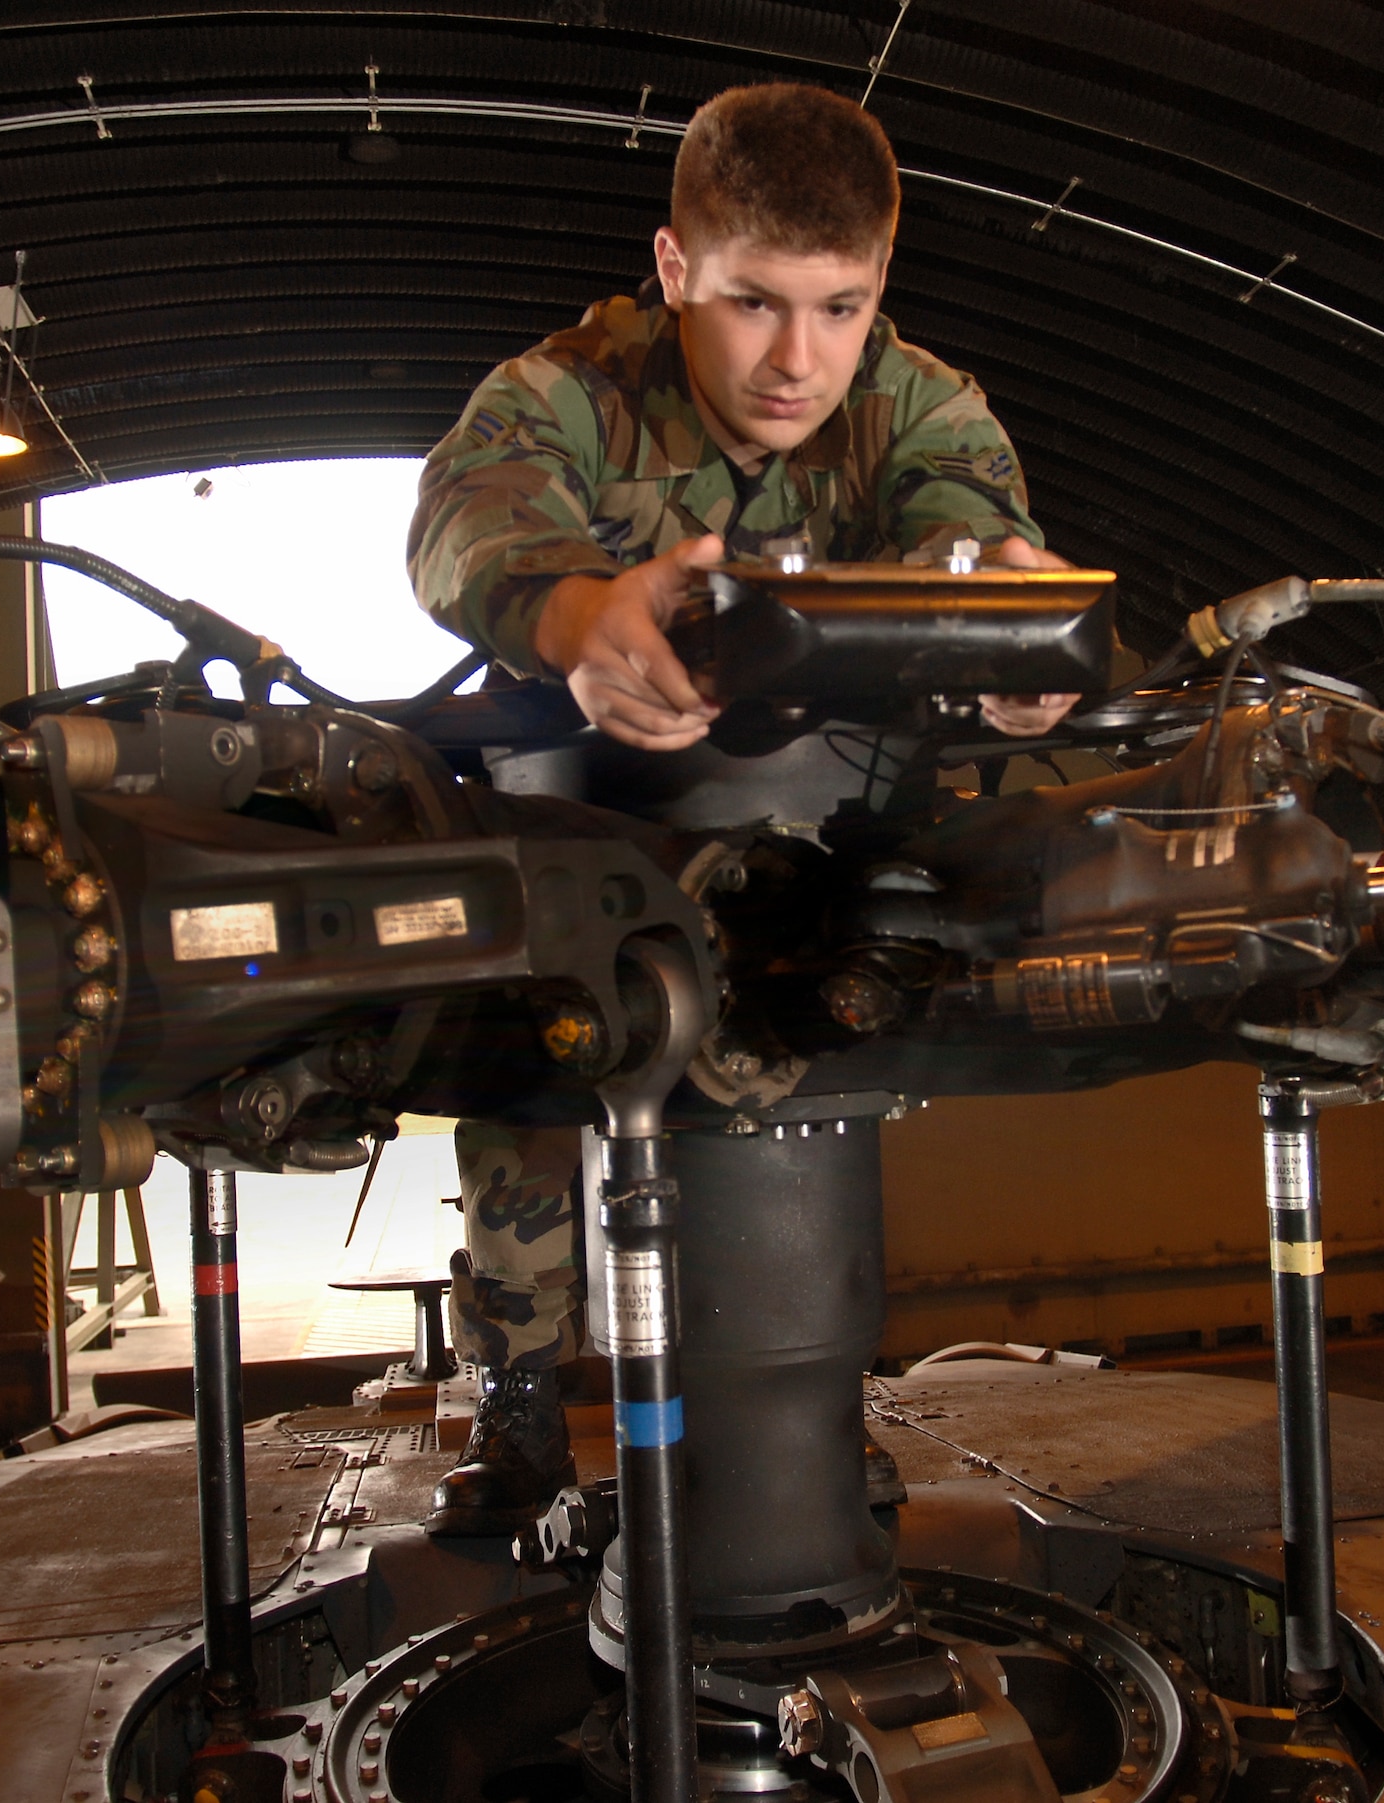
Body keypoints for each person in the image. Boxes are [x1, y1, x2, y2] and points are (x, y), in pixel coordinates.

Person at [407, 80, 1074, 1536]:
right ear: (672, 271)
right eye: (753, 302)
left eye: (839, 308)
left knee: (822, 1074)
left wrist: (1006, 641)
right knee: (529, 1080)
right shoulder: (573, 387)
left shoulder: (918, 399)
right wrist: (581, 611)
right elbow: (471, 511)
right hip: (598, 822)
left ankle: (803, 1407)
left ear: (880, 283)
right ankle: (517, 1401)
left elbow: (969, 522)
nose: (797, 360)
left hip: (810, 835)